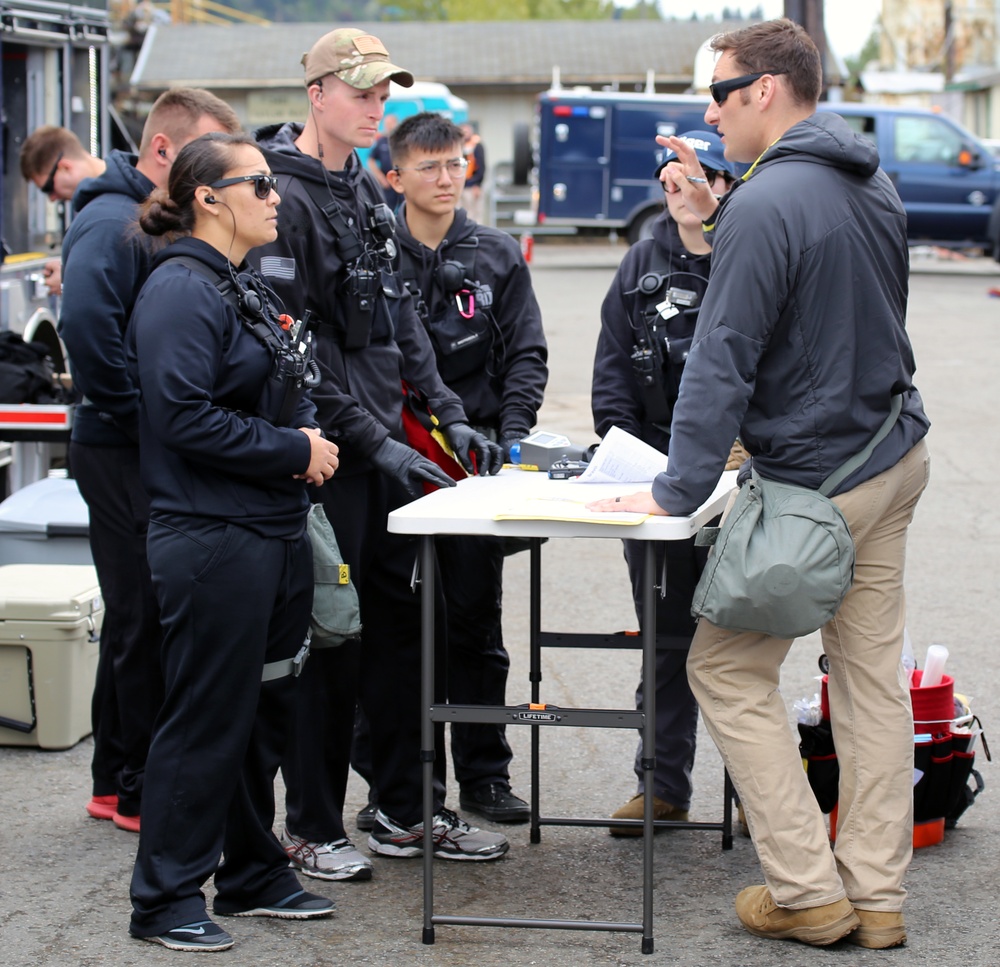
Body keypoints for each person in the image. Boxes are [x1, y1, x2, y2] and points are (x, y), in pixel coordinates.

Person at [590, 19, 930, 950]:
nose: (710, 109)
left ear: (767, 90)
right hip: (892, 456)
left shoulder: (763, 204)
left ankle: (807, 889)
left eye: (721, 89)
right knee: (870, 683)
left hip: (819, 482)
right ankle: (879, 896)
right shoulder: (875, 185)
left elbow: (721, 361)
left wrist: (675, 491)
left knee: (722, 667)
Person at [250, 27, 507, 881]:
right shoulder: (278, 195)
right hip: (329, 460)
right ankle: (312, 824)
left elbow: (400, 322)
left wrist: (447, 414)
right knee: (334, 641)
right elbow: (301, 352)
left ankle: (404, 806)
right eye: (360, 92)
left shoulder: (364, 191)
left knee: (406, 633)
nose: (375, 108)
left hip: (391, 453)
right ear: (316, 93)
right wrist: (373, 445)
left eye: (382, 95)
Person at [126, 131, 340, 952]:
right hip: (213, 539)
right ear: (209, 197)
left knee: (261, 711)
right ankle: (164, 896)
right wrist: (294, 451)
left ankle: (251, 869)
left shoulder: (239, 283)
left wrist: (306, 431)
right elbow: (180, 415)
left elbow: (271, 388)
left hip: (268, 529)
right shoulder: (181, 290)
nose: (276, 193)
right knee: (207, 716)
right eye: (258, 183)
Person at [351, 111, 547, 824]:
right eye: (429, 166)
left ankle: (485, 773)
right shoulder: (375, 255)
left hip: (474, 469)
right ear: (394, 176)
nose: (445, 178)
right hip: (394, 469)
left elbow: (527, 353)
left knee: (473, 623)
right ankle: (395, 780)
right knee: (395, 627)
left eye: (456, 162)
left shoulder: (496, 254)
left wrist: (513, 438)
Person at [57, 88, 241, 834]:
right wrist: (150, 423)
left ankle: (112, 777)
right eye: (200, 157)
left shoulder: (146, 220)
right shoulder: (110, 221)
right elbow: (87, 329)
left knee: (136, 615)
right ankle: (134, 786)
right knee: (142, 617)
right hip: (118, 448)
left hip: (131, 443)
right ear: (162, 152)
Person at [592, 131, 741, 835]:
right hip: (657, 478)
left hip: (745, 480)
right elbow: (613, 368)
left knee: (743, 643)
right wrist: (625, 449)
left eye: (699, 172)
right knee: (666, 641)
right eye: (671, 174)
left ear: (728, 183)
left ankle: (758, 797)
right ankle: (662, 785)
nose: (681, 185)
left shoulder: (751, 253)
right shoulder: (641, 259)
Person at [19, 126, 107, 295]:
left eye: (48, 188)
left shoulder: (114, 206)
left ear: (65, 167)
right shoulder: (100, 203)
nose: (52, 198)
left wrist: (71, 281)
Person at [366, 113, 403, 209]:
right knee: (387, 209)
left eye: (390, 123)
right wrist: (381, 179)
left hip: (402, 181)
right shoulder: (381, 141)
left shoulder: (403, 140)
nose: (388, 126)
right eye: (386, 123)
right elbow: (371, 160)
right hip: (388, 184)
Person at [460, 122, 485, 222]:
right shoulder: (458, 147)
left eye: (467, 131)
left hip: (473, 185)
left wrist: (477, 184)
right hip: (461, 185)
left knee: (476, 214)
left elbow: (481, 166)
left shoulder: (477, 147)